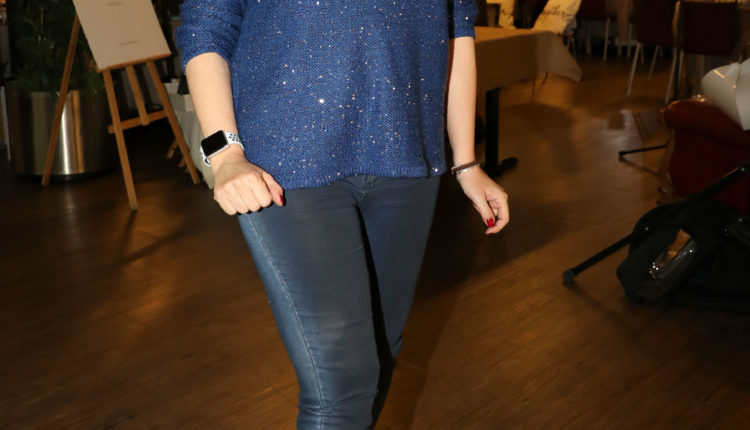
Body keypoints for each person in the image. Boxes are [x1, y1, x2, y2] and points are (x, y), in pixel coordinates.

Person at [176, 1, 509, 428]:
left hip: (407, 156)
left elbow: (456, 30)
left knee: (379, 357)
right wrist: (224, 154)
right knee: (343, 383)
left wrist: (466, 163)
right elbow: (206, 26)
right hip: (284, 165)